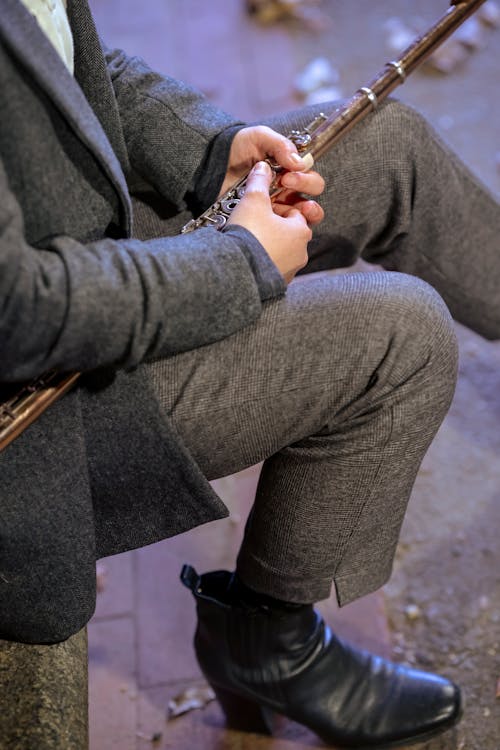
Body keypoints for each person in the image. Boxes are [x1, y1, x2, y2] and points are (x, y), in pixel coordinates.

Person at [1, 0, 499, 747]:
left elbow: (69, 58)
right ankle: (268, 646)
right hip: (38, 410)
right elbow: (18, 311)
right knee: (401, 336)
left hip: (77, 241)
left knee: (386, 147)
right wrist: (238, 263)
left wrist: (215, 144)